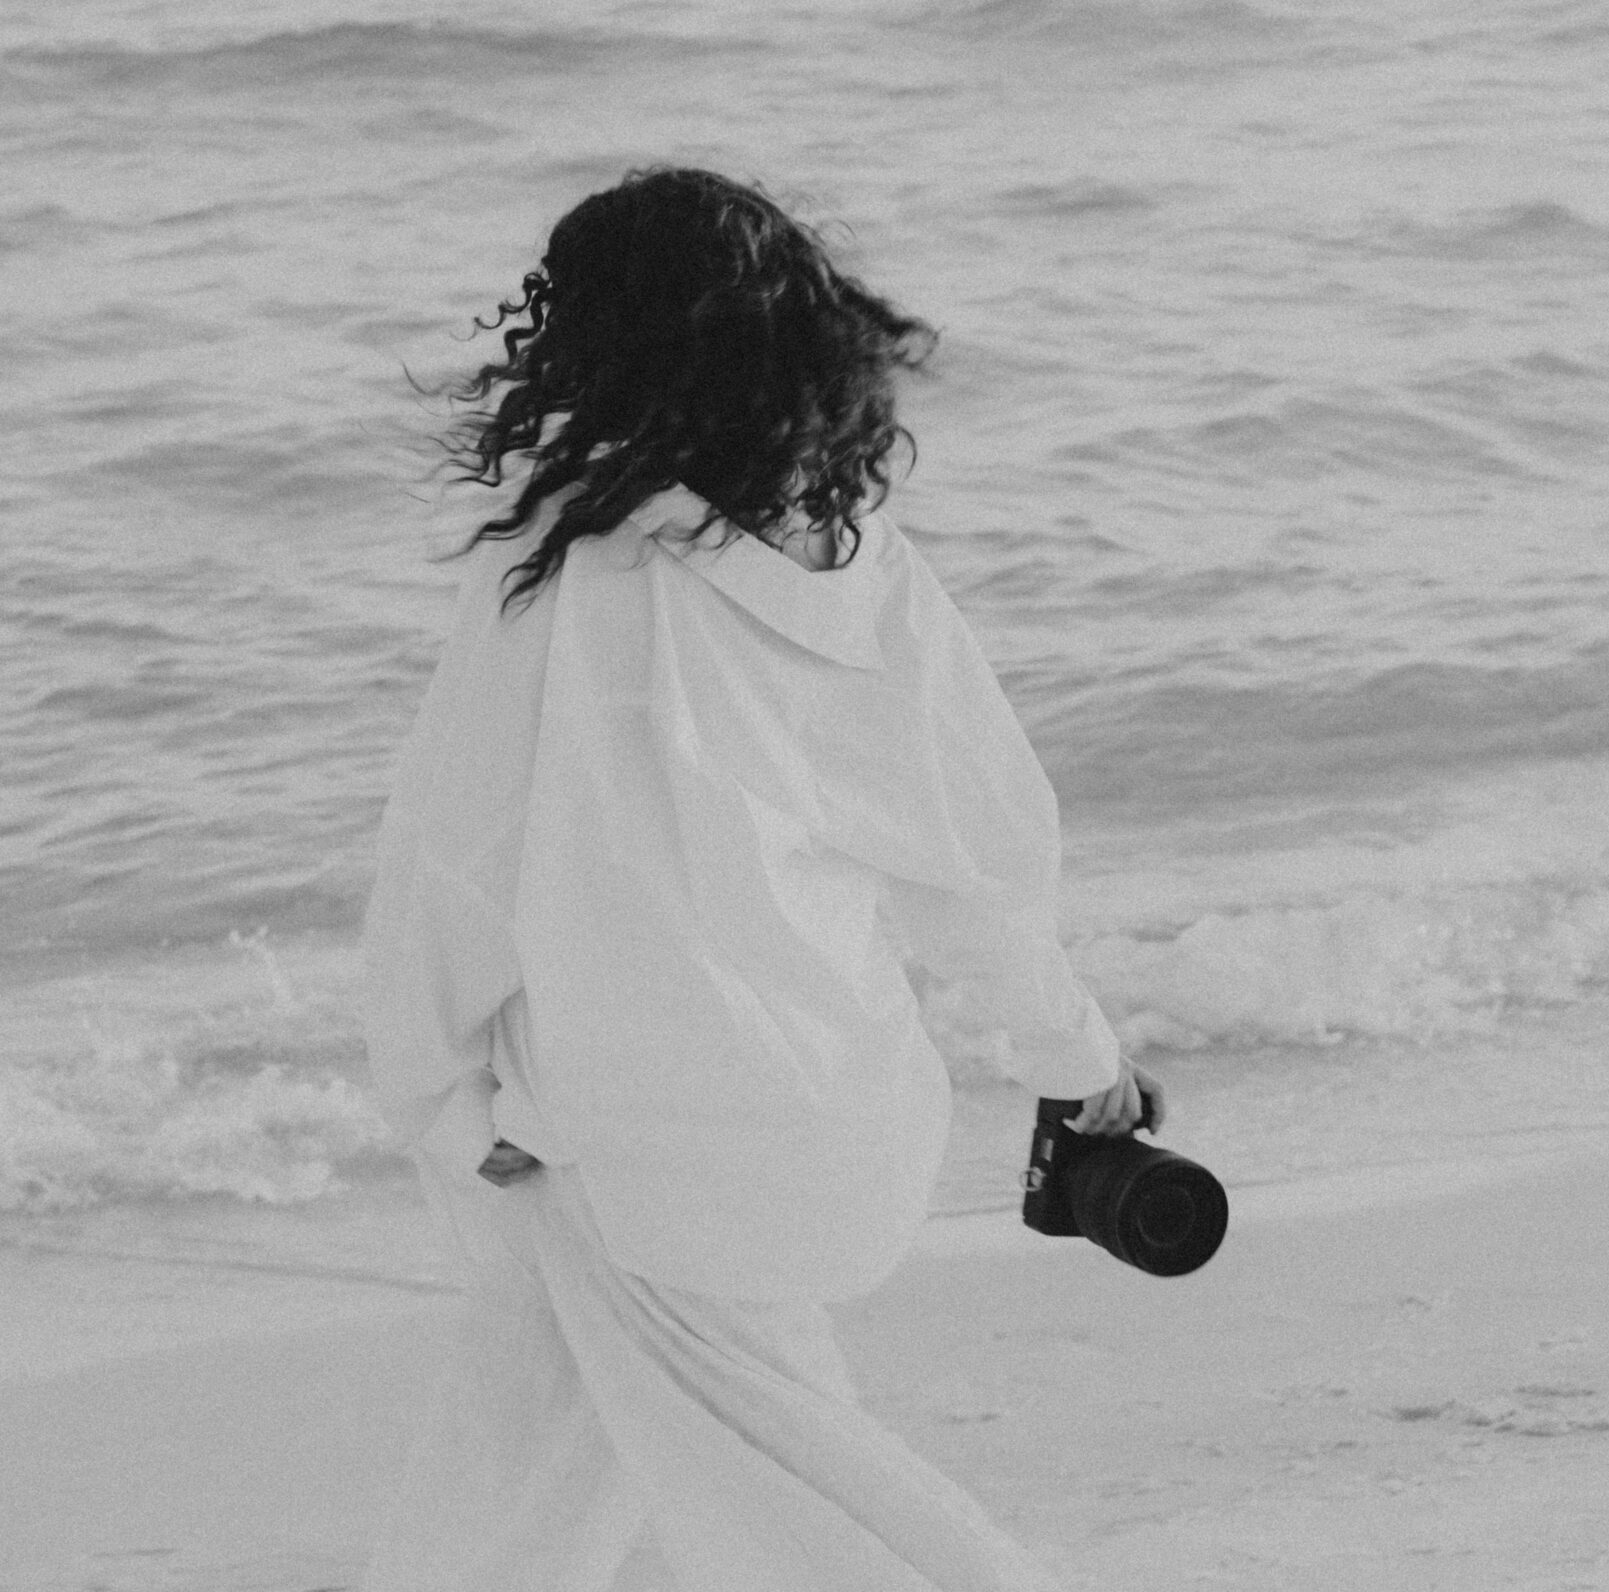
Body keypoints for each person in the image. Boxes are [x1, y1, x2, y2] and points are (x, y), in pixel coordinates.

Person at [361, 165, 1162, 1592]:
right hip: (827, 1118)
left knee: (785, 1478)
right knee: (552, 1428)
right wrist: (1076, 1052)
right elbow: (970, 866)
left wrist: (446, 1085)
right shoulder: (865, 571)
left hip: (631, 1130)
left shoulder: (560, 574)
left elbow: (459, 860)